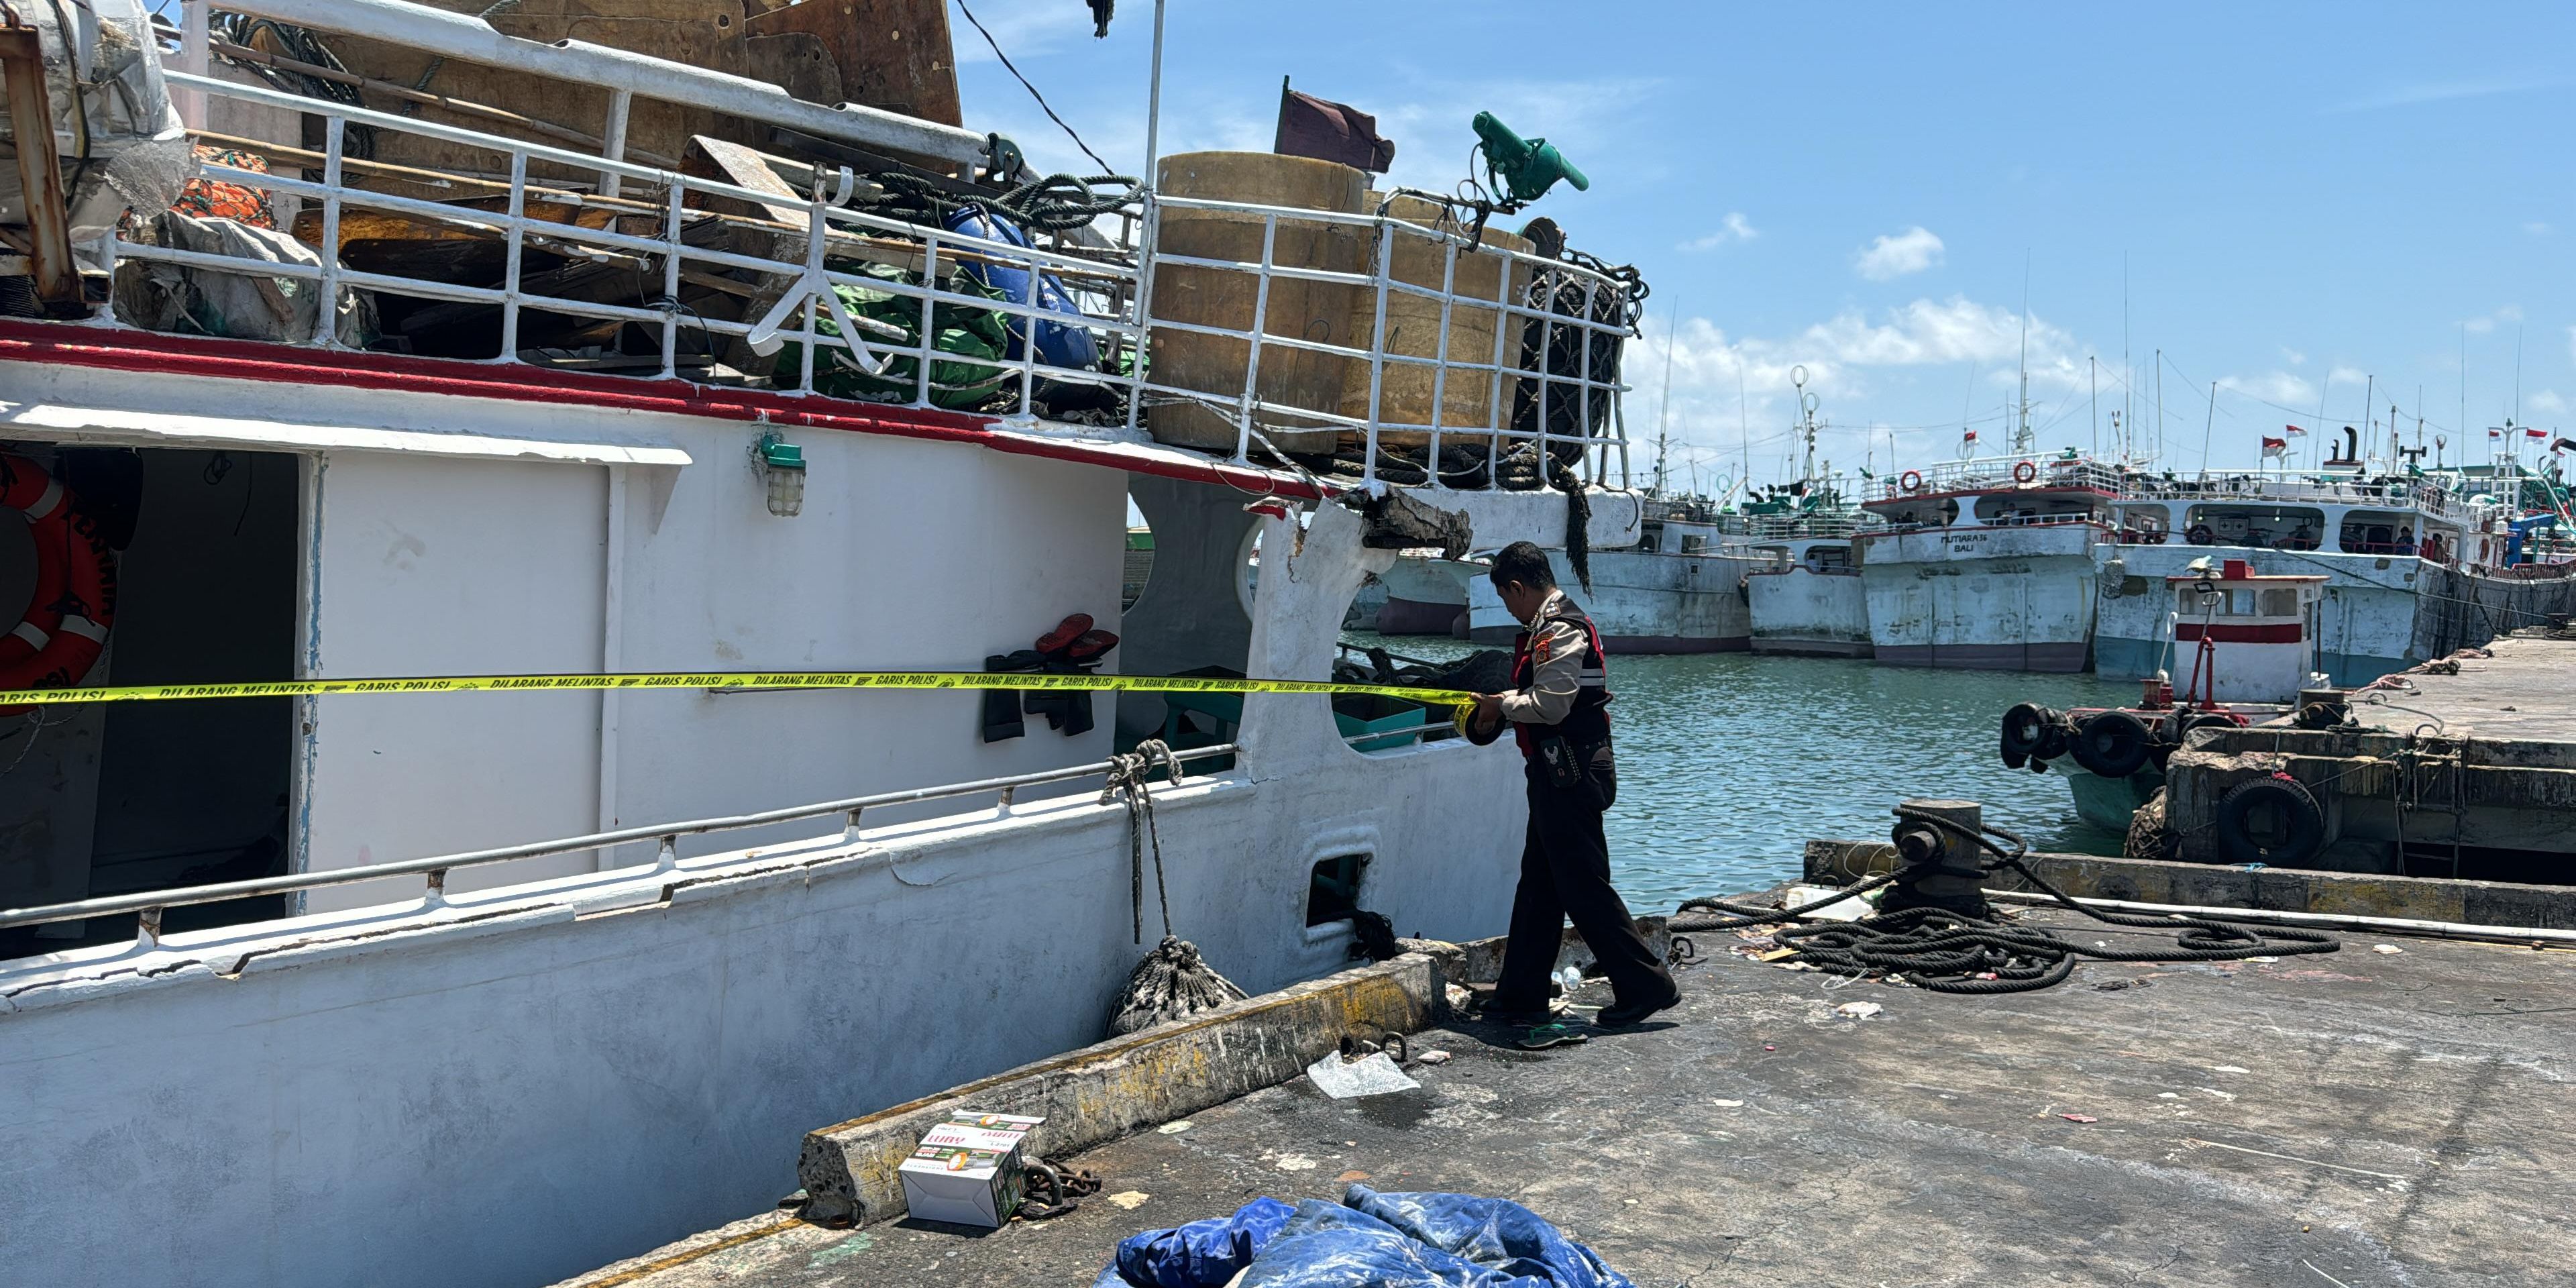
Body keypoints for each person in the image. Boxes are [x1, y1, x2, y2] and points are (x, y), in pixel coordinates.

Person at [1465, 542, 1680, 1029]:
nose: (1508, 609)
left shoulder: (1559, 629)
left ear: (1519, 588)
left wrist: (1501, 705)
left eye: (1506, 598)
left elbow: (1552, 705)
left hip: (1571, 774)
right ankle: (1521, 994)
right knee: (1539, 887)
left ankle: (1648, 985)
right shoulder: (1549, 626)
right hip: (1557, 771)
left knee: (1584, 888)